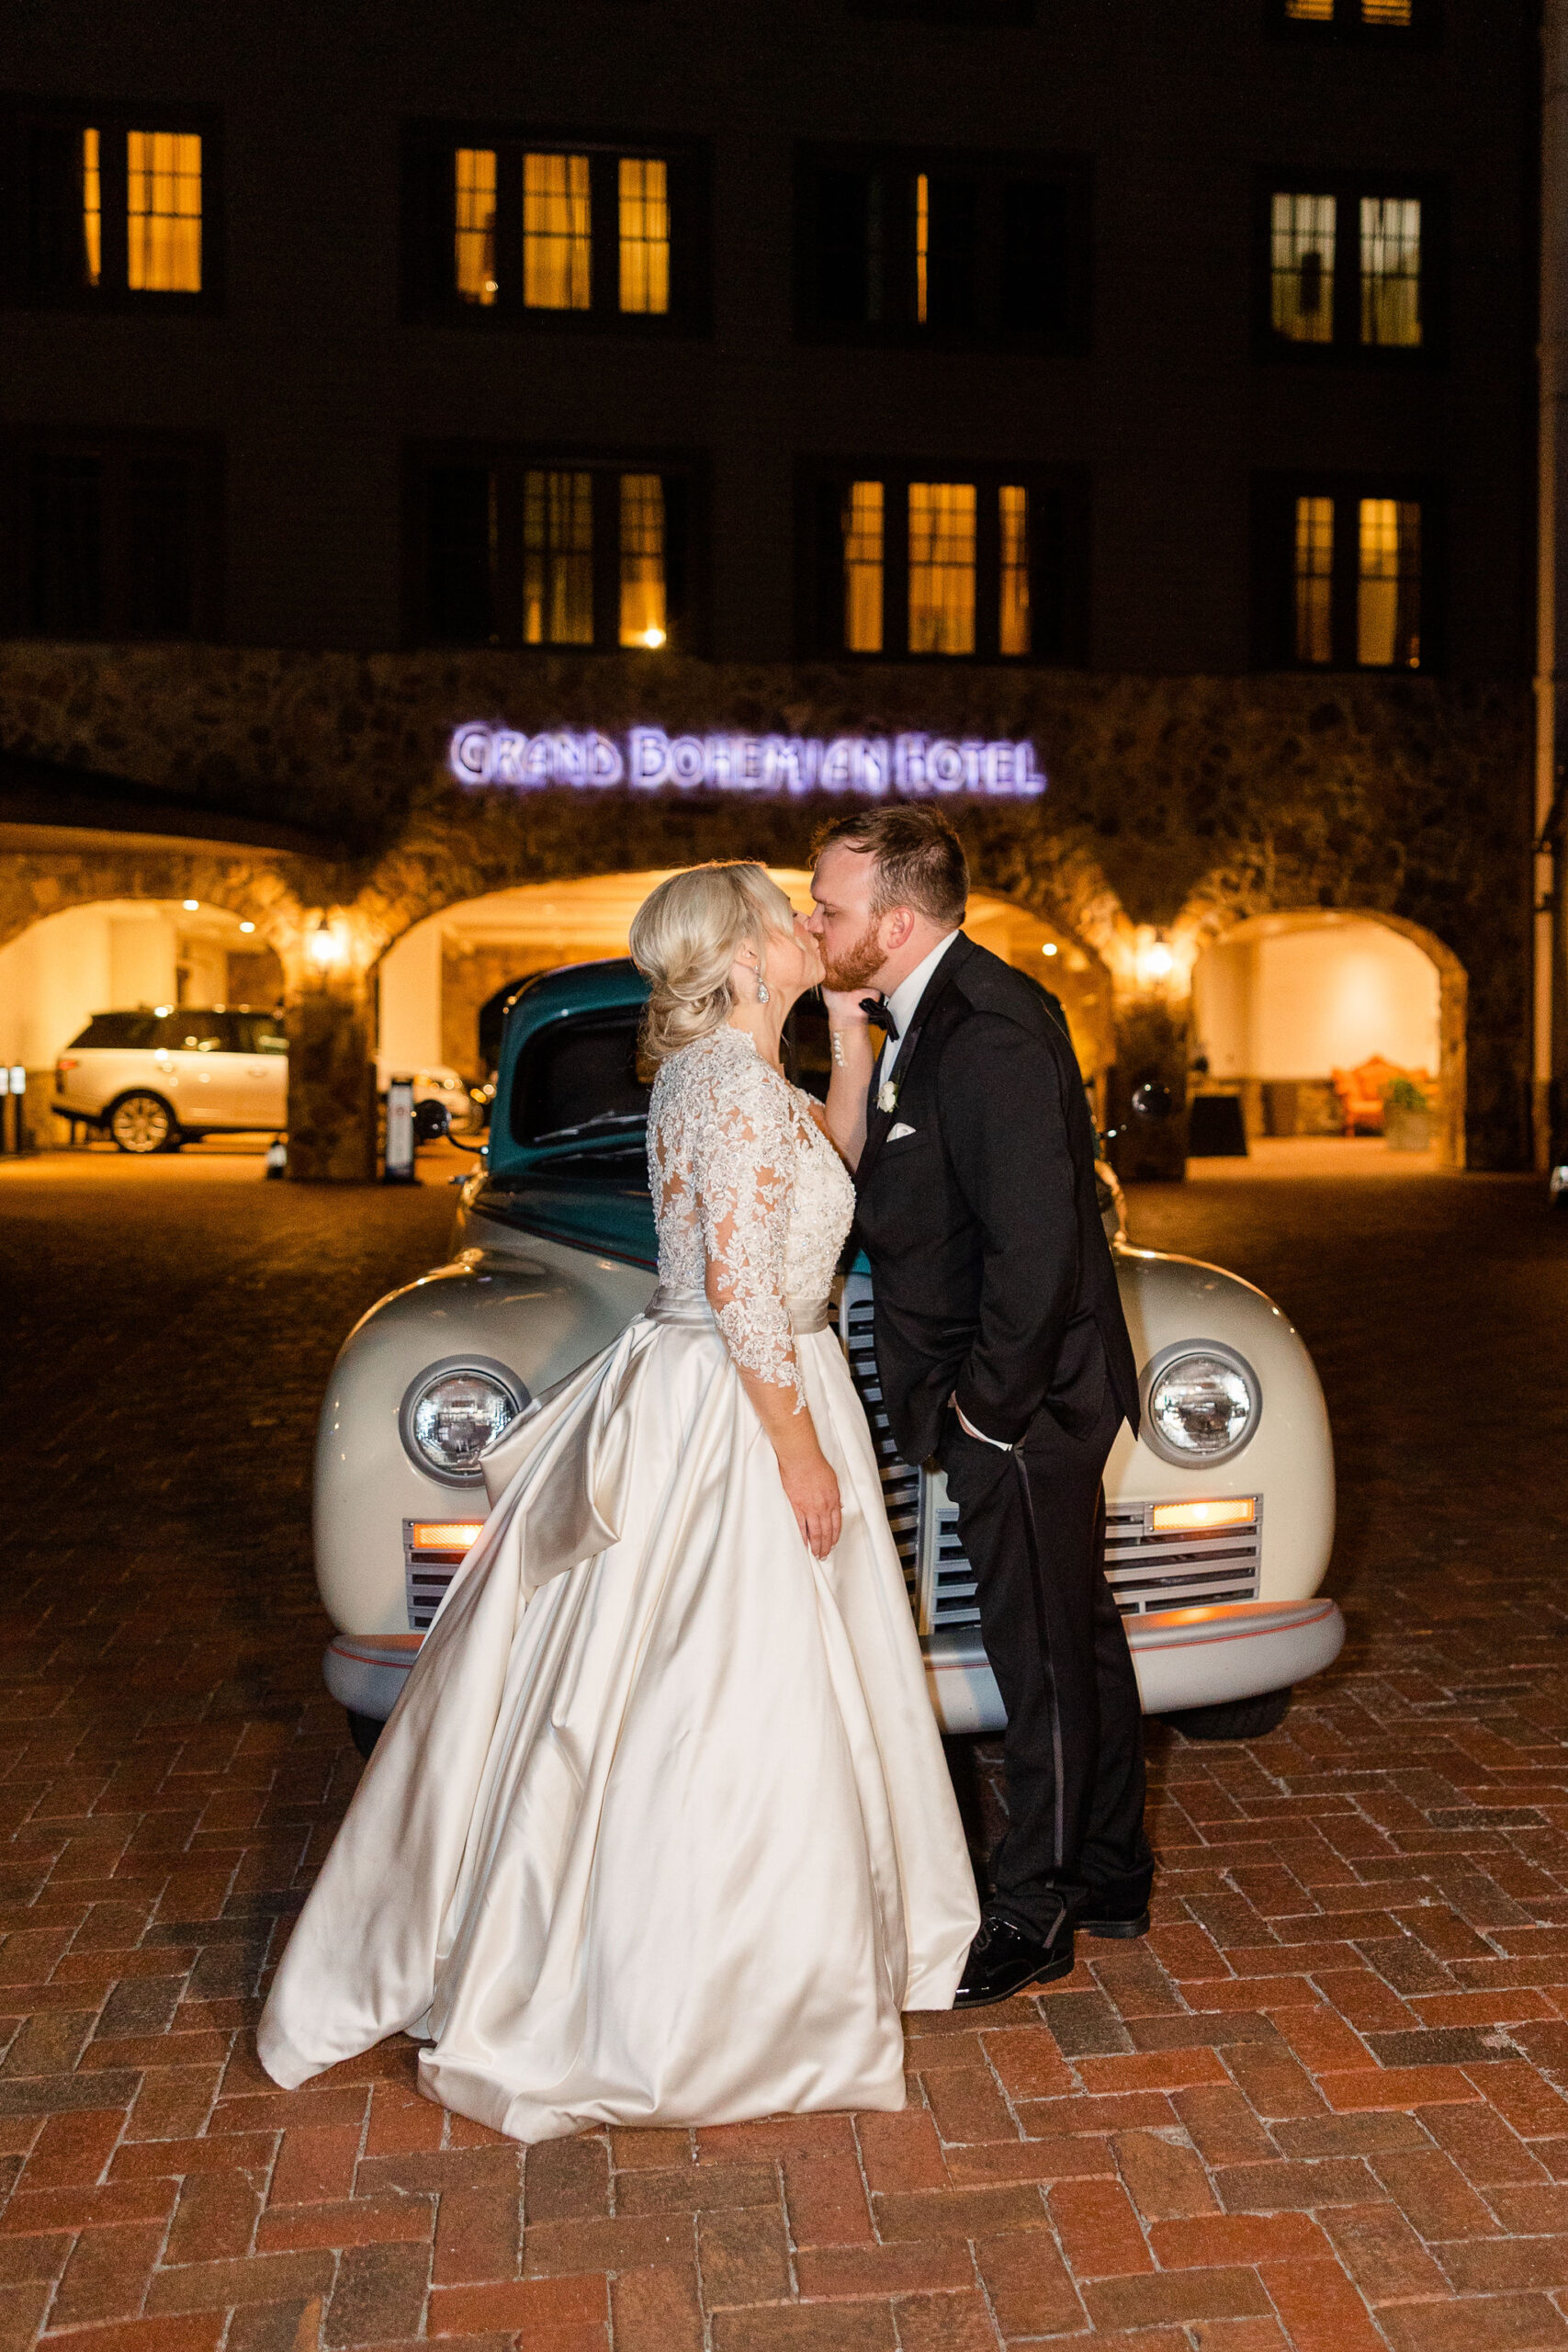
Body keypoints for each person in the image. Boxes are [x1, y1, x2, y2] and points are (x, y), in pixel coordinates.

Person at [256, 861, 977, 2140]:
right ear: (743, 953)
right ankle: (706, 1991)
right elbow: (744, 1286)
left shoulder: (749, 1080)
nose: (812, 922)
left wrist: (854, 1054)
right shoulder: (725, 1088)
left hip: (742, 1375)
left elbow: (829, 1181)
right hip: (737, 1401)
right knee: (718, 1685)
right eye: (788, 912)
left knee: (758, 1677)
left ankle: (778, 1959)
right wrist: (800, 1450)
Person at [810, 806, 1153, 2007]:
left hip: (1029, 1403)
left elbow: (1039, 1244)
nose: (815, 923)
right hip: (1014, 1395)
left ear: (897, 922)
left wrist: (988, 1417)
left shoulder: (991, 1027)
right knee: (1076, 1639)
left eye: (832, 909)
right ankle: (1108, 1870)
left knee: (1041, 1658)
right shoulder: (922, 1014)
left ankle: (1037, 1906)